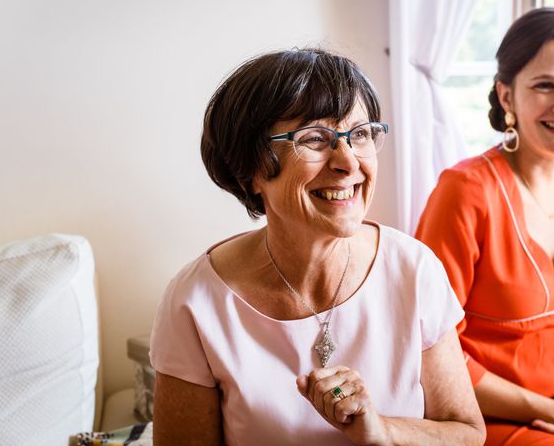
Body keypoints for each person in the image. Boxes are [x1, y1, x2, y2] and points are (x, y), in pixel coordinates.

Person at [149, 48, 485, 445]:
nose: (348, 162)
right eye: (314, 138)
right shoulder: (196, 302)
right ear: (251, 170)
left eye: (359, 134)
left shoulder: (412, 269)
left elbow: (467, 433)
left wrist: (382, 431)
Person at [416, 7, 554, 445]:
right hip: (486, 417)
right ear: (506, 96)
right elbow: (430, 349)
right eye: (545, 85)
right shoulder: (464, 191)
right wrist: (545, 409)